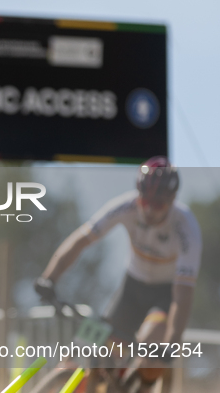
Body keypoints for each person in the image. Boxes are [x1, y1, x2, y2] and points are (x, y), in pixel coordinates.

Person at [35, 157, 201, 377]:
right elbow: (81, 240)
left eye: (158, 204)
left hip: (166, 293)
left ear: (172, 201)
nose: (149, 210)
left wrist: (172, 342)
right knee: (89, 341)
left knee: (149, 343)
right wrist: (49, 278)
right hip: (132, 286)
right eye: (145, 201)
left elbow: (183, 295)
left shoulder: (186, 228)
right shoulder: (125, 206)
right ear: (138, 195)